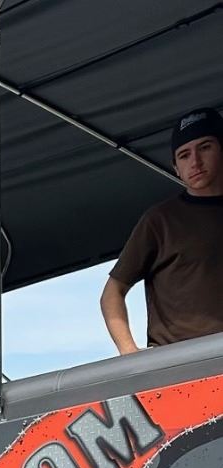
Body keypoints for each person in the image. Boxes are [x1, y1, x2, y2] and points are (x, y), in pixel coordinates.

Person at [101, 106, 223, 353]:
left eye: (205, 147)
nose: (195, 162)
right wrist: (129, 352)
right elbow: (112, 292)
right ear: (176, 168)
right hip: (180, 362)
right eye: (184, 155)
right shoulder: (160, 220)